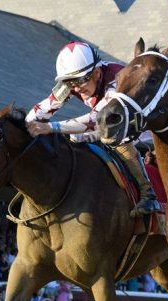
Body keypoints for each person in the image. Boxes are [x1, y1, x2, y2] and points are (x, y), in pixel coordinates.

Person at [26, 41, 159, 217]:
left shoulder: (115, 78)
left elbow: (95, 119)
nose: (76, 88)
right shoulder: (73, 84)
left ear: (97, 73)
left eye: (80, 80)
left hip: (143, 124)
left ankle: (148, 192)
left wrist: (50, 127)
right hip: (108, 122)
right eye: (69, 82)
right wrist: (25, 125)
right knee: (75, 139)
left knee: (113, 136)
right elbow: (43, 109)